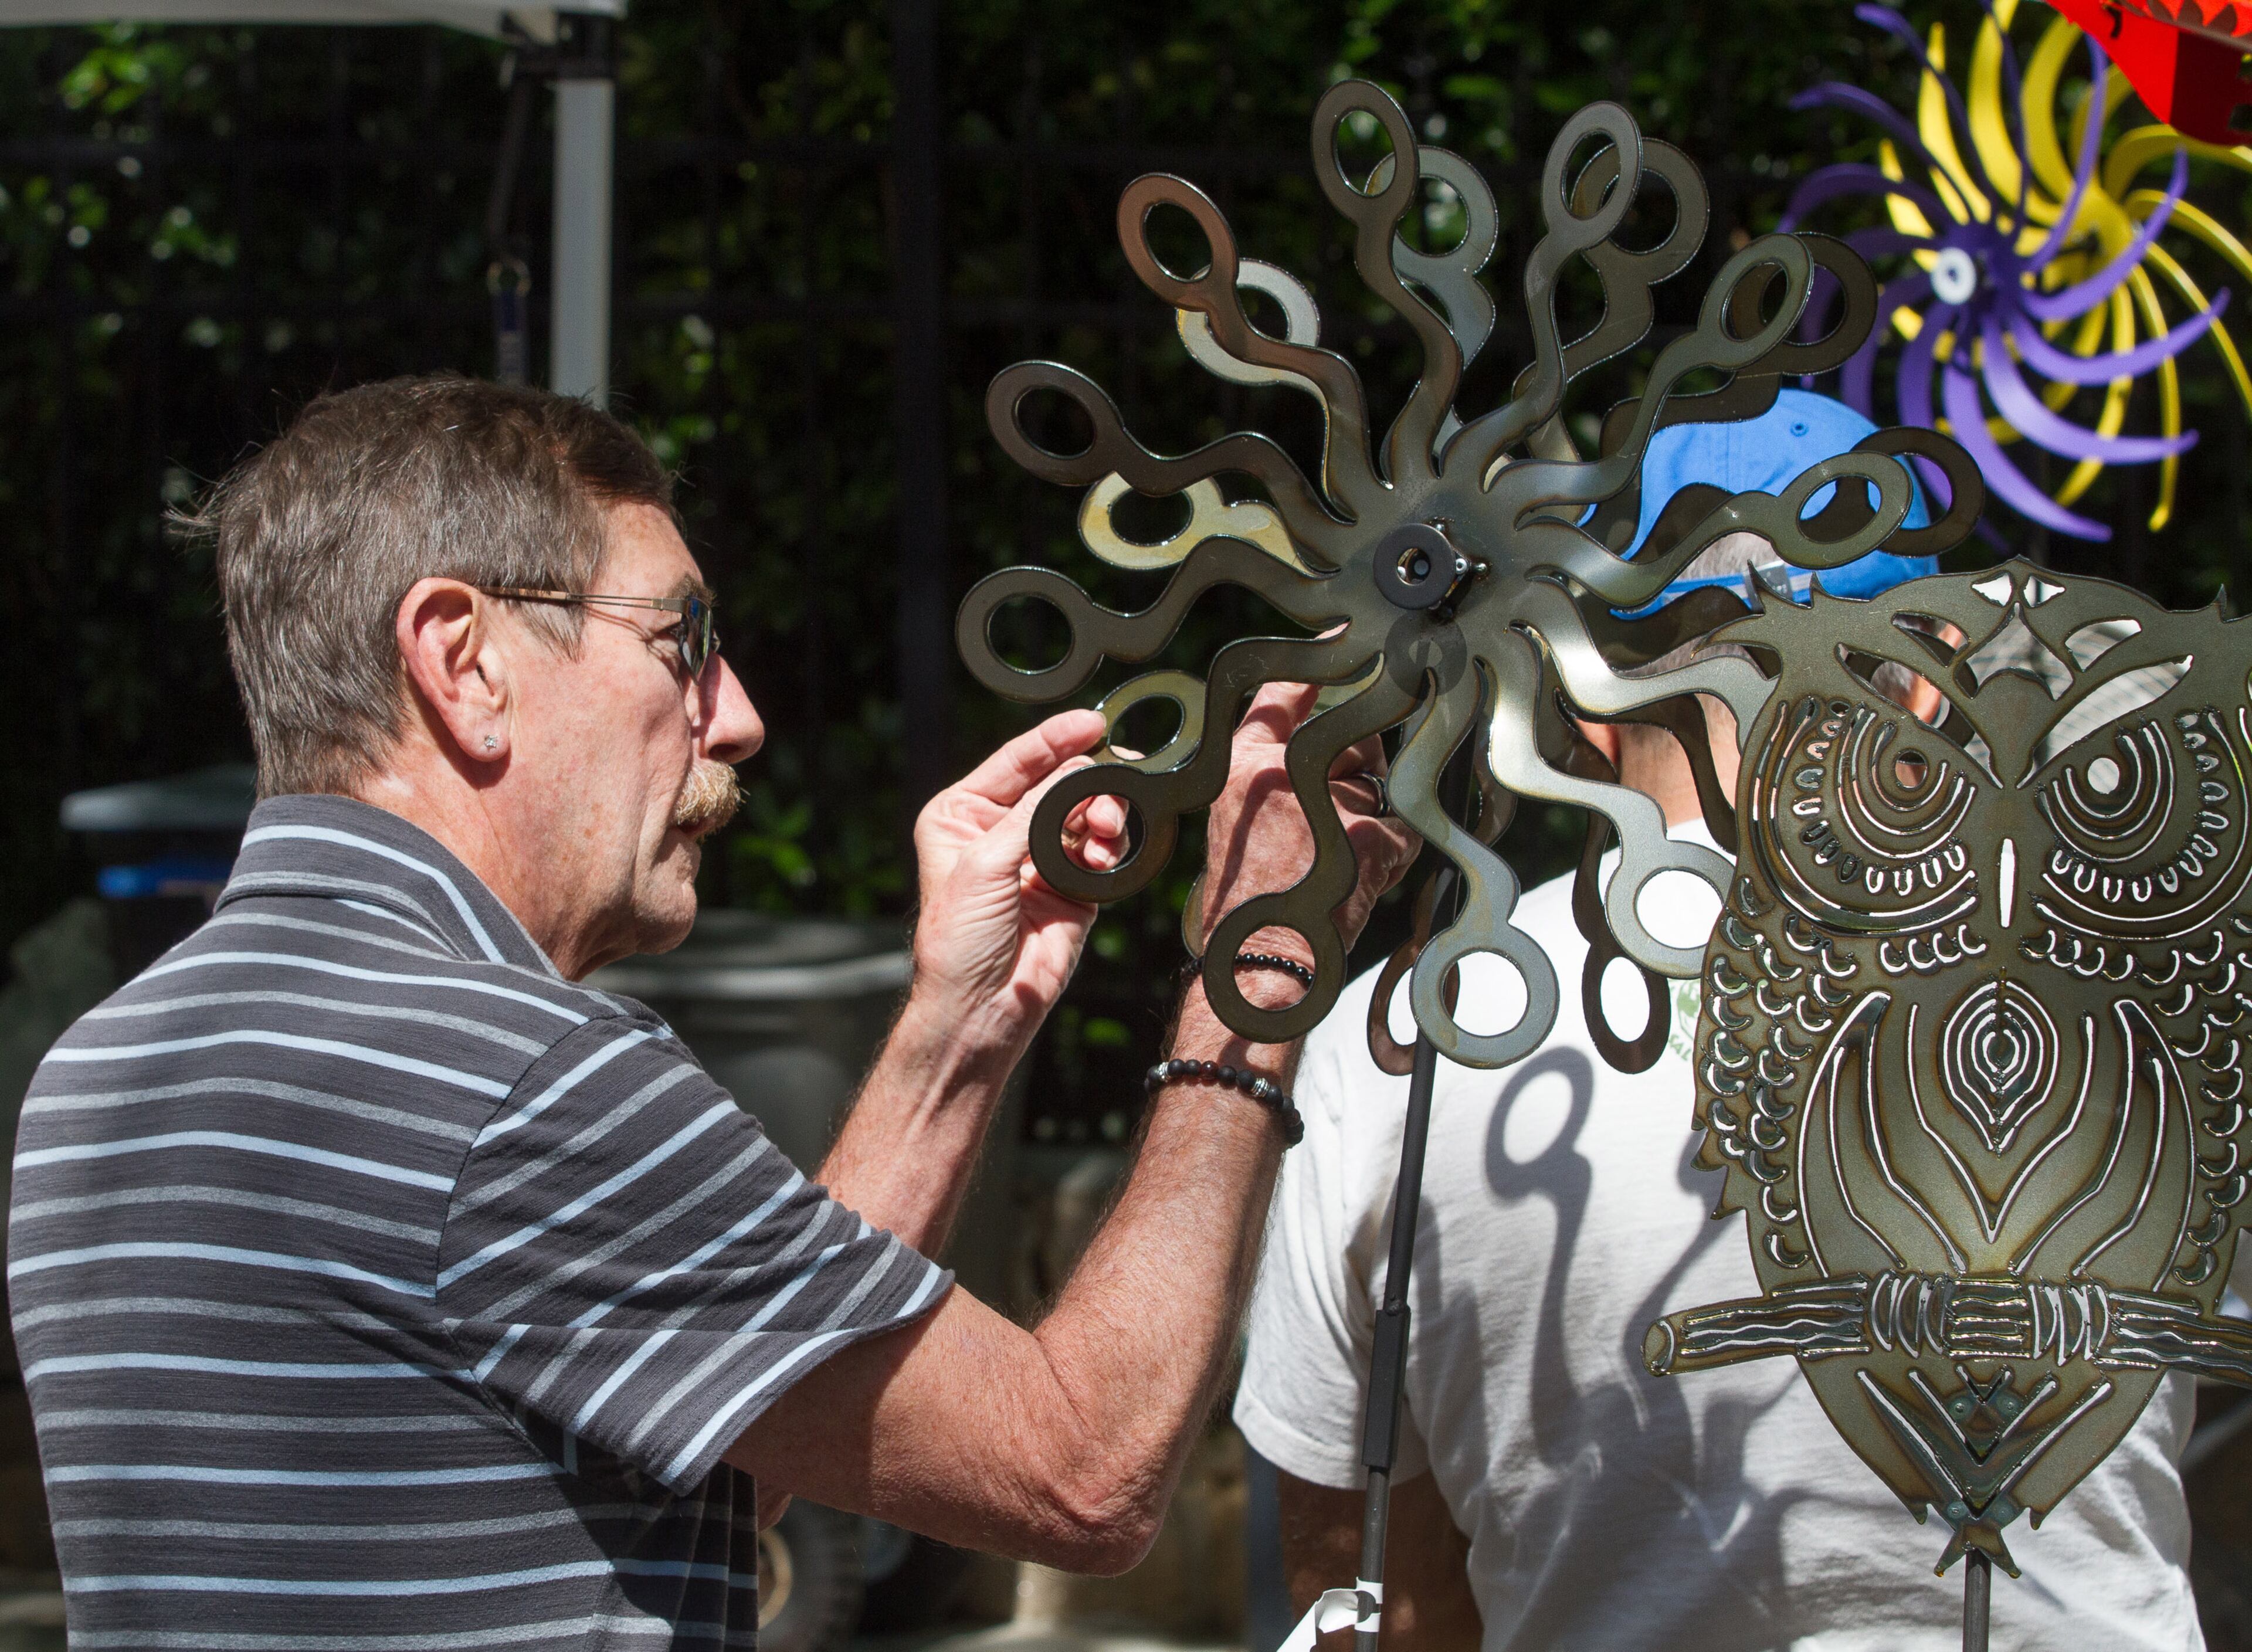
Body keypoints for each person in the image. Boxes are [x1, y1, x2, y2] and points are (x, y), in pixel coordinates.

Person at [5, 375, 1417, 1646]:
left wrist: (957, 1028)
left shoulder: (101, 1075)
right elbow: (1083, 1468)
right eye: (683, 638)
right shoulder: (523, 1083)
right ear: (464, 659)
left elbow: (736, 1464)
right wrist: (1261, 964)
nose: (734, 714)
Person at [1234, 389, 2240, 1650]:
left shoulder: (1397, 1049)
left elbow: (1371, 1606)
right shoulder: (2167, 993)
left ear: (1589, 704)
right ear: (1929, 686)